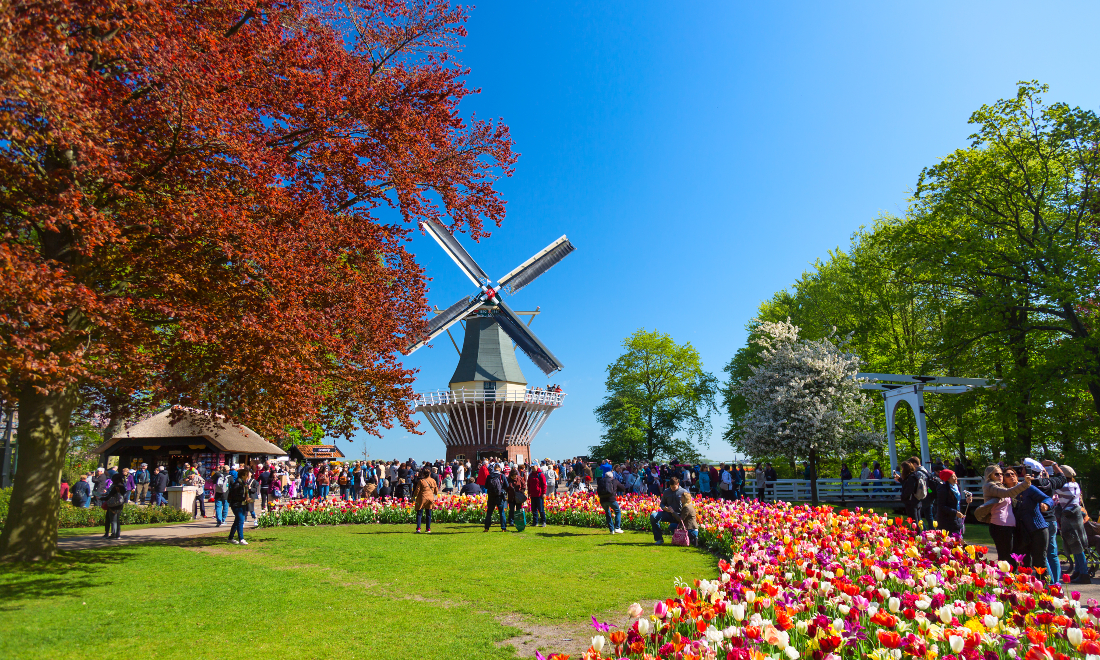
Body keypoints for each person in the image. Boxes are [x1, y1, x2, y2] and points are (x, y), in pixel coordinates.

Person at [981, 464, 1031, 566]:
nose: (1000, 476)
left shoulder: (999, 486)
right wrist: (1025, 483)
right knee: (1006, 558)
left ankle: (1010, 579)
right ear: (990, 475)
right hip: (1000, 526)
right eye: (997, 474)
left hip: (1007, 526)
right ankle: (1005, 580)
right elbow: (1008, 493)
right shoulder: (990, 486)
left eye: (1001, 474)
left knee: (1011, 557)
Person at [1055, 465, 1091, 584]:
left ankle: (1084, 573)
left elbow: (1050, 488)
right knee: (1077, 545)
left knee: (1076, 546)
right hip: (1076, 516)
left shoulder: (1064, 487)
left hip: (1069, 518)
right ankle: (1078, 570)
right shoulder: (1075, 485)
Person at [650, 477, 689, 545]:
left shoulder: (683, 492)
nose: (672, 489)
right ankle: (659, 539)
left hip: (679, 516)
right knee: (653, 516)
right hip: (668, 514)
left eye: (674, 487)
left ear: (678, 484)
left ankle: (684, 539)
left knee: (672, 526)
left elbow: (688, 504)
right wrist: (664, 508)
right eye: (671, 487)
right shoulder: (666, 492)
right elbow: (662, 503)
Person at [935, 469, 971, 539]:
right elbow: (941, 506)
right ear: (947, 479)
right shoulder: (943, 489)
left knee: (958, 540)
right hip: (946, 521)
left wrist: (966, 501)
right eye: (953, 476)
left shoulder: (955, 487)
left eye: (955, 476)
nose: (955, 478)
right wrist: (955, 512)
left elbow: (956, 502)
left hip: (956, 519)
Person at [597, 468, 626, 534]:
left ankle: (611, 530)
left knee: (607, 513)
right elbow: (622, 488)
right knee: (617, 511)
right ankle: (617, 528)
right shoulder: (614, 481)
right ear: (612, 476)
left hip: (602, 499)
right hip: (611, 499)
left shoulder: (601, 481)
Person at [227, 467, 252, 544]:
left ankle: (230, 538)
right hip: (236, 504)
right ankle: (241, 538)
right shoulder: (237, 484)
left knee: (237, 521)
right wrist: (244, 498)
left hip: (242, 504)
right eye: (247, 475)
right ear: (243, 475)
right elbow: (234, 496)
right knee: (241, 520)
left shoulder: (244, 483)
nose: (249, 476)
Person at [411, 467, 439, 533]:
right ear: (430, 474)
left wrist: (414, 496)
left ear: (423, 474)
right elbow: (436, 490)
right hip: (430, 498)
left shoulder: (421, 481)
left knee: (419, 513)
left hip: (422, 497)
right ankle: (428, 528)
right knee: (428, 514)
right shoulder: (433, 480)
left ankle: (418, 528)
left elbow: (417, 490)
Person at [103, 472, 128, 540]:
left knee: (111, 519)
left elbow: (109, 496)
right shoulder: (123, 486)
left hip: (112, 504)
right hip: (120, 504)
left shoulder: (115, 487)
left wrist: (101, 497)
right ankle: (118, 534)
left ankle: (112, 533)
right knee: (117, 520)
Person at [483, 464, 508, 532]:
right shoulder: (501, 476)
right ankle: (503, 528)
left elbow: (485, 486)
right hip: (499, 496)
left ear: (494, 468)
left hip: (491, 496)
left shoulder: (489, 476)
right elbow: (507, 485)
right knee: (501, 512)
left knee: (489, 513)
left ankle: (486, 528)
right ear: (499, 469)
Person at [507, 466, 528, 530]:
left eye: (515, 476)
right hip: (511, 497)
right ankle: (511, 521)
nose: (515, 477)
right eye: (513, 476)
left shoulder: (520, 478)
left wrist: (522, 491)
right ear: (511, 476)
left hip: (518, 496)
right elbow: (505, 487)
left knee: (519, 510)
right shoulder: (508, 480)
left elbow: (524, 485)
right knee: (511, 510)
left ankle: (519, 522)